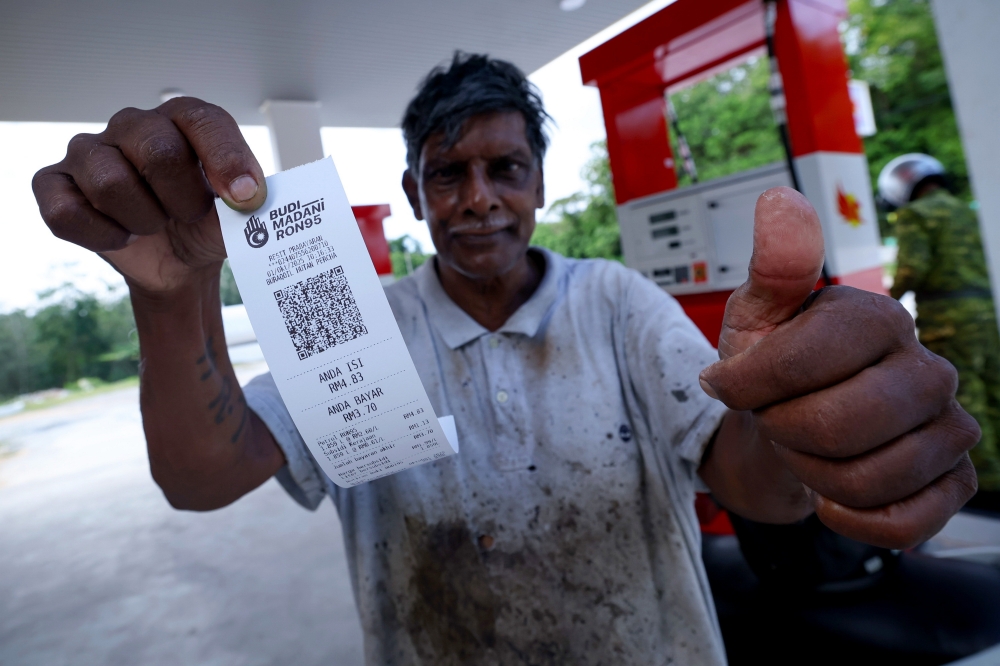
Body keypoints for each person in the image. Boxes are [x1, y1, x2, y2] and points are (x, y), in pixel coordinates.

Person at [32, 53, 979, 665]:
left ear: (536, 183)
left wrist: (801, 425)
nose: (478, 198)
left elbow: (759, 489)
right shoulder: (360, 326)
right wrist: (168, 294)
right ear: (413, 192)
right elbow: (201, 479)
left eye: (504, 168)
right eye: (449, 173)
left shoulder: (615, 301)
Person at [881, 154, 1000, 514]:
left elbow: (912, 269)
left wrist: (885, 304)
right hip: (985, 313)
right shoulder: (968, 210)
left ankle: (989, 489)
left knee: (966, 400)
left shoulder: (916, 214)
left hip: (948, 320)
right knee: (996, 390)